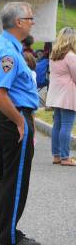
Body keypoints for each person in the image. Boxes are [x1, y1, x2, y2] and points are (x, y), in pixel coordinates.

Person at [0, 2, 41, 245]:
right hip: (12, 117)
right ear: (18, 22)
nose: (32, 22)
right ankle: (8, 236)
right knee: (16, 179)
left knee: (6, 177)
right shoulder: (8, 52)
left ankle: (4, 225)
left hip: (2, 116)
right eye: (29, 18)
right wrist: (19, 121)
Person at [45, 27, 76, 166]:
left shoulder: (54, 55)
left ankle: (56, 155)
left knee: (57, 124)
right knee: (66, 125)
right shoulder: (71, 56)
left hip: (56, 93)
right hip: (68, 93)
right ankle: (65, 157)